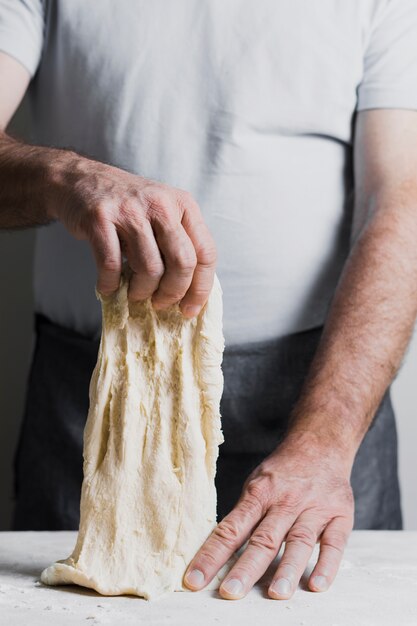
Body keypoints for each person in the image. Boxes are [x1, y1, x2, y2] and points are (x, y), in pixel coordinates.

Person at [1, 0, 417, 602]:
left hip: (325, 405)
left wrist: (326, 444)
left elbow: (400, 206)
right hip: (98, 409)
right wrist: (63, 177)